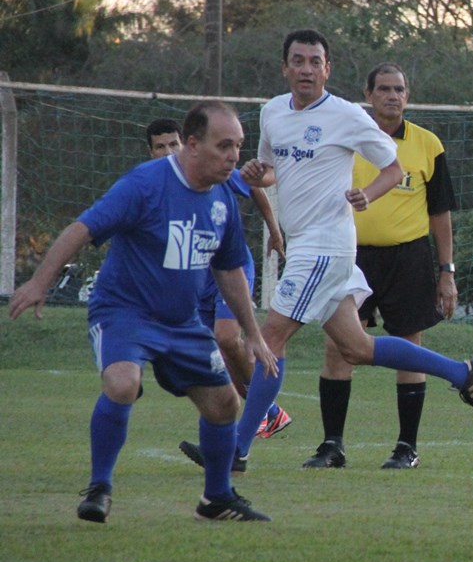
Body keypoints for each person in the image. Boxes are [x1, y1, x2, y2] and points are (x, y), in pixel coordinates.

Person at [177, 29, 473, 474]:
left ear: (328, 69)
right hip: (306, 244)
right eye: (298, 61)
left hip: (327, 245)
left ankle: (236, 448)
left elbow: (393, 167)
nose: (306, 69)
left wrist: (369, 194)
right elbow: (270, 171)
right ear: (285, 67)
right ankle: (465, 374)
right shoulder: (272, 113)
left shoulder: (345, 115)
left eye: (315, 62)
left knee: (269, 339)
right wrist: (255, 172)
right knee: (358, 347)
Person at [9, 101, 276, 522]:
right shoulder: (145, 185)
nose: (233, 156)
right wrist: (40, 281)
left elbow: (229, 268)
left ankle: (217, 498)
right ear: (191, 145)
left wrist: (253, 333)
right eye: (224, 145)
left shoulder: (223, 197)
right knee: (122, 383)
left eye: (238, 146)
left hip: (182, 322)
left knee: (225, 404)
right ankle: (99, 488)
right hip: (125, 312)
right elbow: (83, 227)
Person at [313, 62, 458, 470]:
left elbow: (441, 213)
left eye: (399, 89)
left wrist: (447, 272)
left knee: (410, 346)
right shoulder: (351, 137)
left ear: (407, 95)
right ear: (369, 94)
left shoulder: (428, 144)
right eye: (384, 89)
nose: (392, 96)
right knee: (338, 346)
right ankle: (332, 446)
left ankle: (405, 447)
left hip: (408, 256)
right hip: (350, 253)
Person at [147, 119, 293, 439]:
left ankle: (264, 411)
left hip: (232, 270)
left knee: (227, 338)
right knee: (215, 352)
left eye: (174, 144)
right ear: (151, 152)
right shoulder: (153, 186)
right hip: (197, 278)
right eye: (161, 146)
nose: (168, 151)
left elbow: (254, 186)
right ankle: (266, 414)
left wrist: (275, 230)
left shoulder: (215, 173)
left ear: (189, 145)